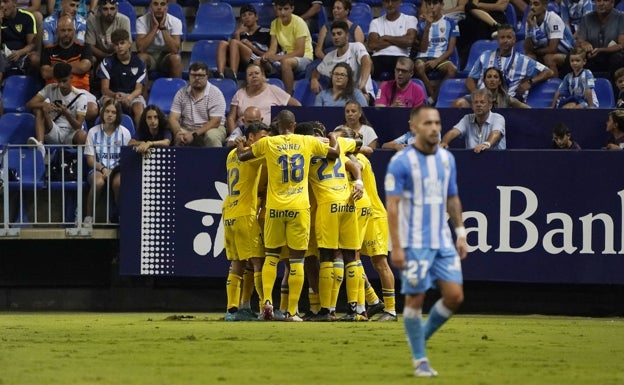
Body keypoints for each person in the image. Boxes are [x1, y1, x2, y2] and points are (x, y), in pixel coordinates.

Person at [385, 105, 468, 377]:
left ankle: (418, 337)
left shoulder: (446, 159)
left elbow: (452, 197)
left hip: (442, 239)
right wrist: (396, 246)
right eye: (428, 123)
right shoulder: (401, 162)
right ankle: (420, 359)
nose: (434, 127)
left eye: (437, 122)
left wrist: (461, 233)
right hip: (414, 242)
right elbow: (393, 207)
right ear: (414, 127)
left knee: (455, 296)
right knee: (416, 299)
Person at [236, 109, 340, 321]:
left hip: (274, 208)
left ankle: (267, 301)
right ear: (294, 125)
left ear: (278, 126)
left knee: (271, 257)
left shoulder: (269, 143)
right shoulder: (306, 141)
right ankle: (292, 311)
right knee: (297, 262)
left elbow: (243, 156)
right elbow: (335, 153)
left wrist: (239, 144)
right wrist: (332, 137)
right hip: (299, 208)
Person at [223, 121, 269, 321]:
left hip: (229, 212)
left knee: (237, 263)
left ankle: (232, 310)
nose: (265, 141)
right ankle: (263, 307)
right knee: (258, 260)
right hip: (245, 214)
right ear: (251, 138)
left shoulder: (231, 155)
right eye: (262, 137)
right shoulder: (253, 155)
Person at [453, 23, 553, 107]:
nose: (505, 40)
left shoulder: (524, 61)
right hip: (483, 98)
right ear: (498, 40)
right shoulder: (485, 56)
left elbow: (549, 72)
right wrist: (476, 93)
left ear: (514, 40)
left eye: (509, 37)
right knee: (459, 104)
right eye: (502, 37)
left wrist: (531, 82)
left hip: (507, 100)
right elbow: (470, 80)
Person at [40, 15, 98, 123]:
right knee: (40, 108)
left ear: (74, 31)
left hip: (80, 92)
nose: (66, 33)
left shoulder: (84, 48)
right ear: (57, 32)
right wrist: (74, 66)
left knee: (92, 110)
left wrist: (57, 67)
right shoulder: (49, 50)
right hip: (55, 92)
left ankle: (66, 119)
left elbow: (83, 67)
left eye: (69, 30)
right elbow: (45, 73)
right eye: (63, 30)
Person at [84, 99, 132, 226]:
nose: (110, 115)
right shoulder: (92, 132)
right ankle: (89, 217)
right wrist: (103, 168)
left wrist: (114, 170)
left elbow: (127, 157)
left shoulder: (124, 133)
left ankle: (121, 216)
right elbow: (90, 159)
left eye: (113, 112)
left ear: (118, 115)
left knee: (119, 183)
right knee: (98, 182)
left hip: (118, 169)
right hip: (98, 168)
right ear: (102, 113)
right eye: (107, 111)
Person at [25, 62, 88, 150]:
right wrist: (45, 104)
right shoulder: (50, 88)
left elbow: (78, 126)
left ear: (71, 77)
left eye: (64, 81)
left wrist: (66, 113)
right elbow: (29, 104)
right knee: (39, 109)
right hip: (53, 129)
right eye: (59, 81)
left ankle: (78, 162)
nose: (61, 85)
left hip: (71, 133)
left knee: (82, 135)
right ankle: (40, 146)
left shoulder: (81, 97)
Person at [310, 20, 374, 103]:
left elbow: (366, 61)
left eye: (339, 33)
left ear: (347, 36)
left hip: (363, 93)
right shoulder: (329, 56)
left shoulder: (356, 47)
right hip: (342, 97)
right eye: (333, 34)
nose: (336, 37)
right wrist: (314, 79)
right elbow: (317, 71)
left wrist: (362, 84)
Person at [227, 62, 300, 133]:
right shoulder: (240, 93)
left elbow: (296, 105)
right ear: (246, 79)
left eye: (257, 73)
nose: (254, 76)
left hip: (269, 133)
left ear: (262, 75)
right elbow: (231, 118)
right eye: (250, 74)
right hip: (244, 134)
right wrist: (234, 135)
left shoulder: (273, 90)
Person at [259, 0, 314, 95]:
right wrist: (267, 57)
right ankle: (262, 94)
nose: (283, 12)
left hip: (304, 58)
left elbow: (300, 52)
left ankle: (288, 96)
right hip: (284, 56)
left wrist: (278, 58)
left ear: (292, 8)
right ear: (275, 9)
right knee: (258, 62)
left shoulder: (299, 22)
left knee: (286, 63)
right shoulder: (274, 23)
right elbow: (273, 48)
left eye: (286, 9)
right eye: (280, 9)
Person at [169, 62, 228, 147]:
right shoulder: (181, 93)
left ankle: (215, 160)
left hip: (212, 128)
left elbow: (215, 122)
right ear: (189, 76)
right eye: (193, 75)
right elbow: (173, 118)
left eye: (200, 75)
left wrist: (194, 134)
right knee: (179, 136)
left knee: (212, 136)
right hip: (187, 128)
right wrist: (178, 132)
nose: (197, 78)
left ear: (207, 76)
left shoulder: (215, 93)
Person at [98, 28, 147, 128]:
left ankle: (139, 137)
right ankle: (105, 134)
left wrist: (129, 98)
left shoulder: (140, 63)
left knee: (138, 108)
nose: (119, 46)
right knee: (107, 103)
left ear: (129, 43)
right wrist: (114, 95)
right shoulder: (107, 62)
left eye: (122, 43)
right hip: (112, 94)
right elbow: (104, 89)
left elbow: (139, 89)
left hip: (132, 95)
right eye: (116, 44)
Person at [413, 0, 460, 102]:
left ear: (442, 5)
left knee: (452, 69)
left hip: (440, 57)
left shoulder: (451, 22)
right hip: (423, 56)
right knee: (418, 67)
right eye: (429, 4)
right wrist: (427, 28)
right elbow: (423, 49)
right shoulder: (422, 23)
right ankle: (433, 96)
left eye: (435, 3)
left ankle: (432, 99)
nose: (431, 7)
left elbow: (451, 50)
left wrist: (436, 61)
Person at [216, 4, 271, 79]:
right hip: (241, 62)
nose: (247, 17)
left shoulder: (266, 32)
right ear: (241, 20)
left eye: (250, 14)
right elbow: (235, 50)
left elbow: (269, 55)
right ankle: (220, 74)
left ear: (256, 17)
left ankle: (233, 75)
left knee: (234, 42)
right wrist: (237, 33)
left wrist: (251, 47)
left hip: (258, 60)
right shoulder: (240, 33)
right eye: (244, 15)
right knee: (223, 43)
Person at [441, 88, 506, 152]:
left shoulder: (498, 118)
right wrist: (444, 142)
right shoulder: (467, 118)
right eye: (476, 102)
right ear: (472, 106)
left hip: (495, 160)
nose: (478, 105)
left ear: (490, 105)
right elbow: (453, 132)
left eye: (482, 102)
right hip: (472, 160)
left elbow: (496, 133)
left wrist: (486, 144)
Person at [367, 0, 418, 80]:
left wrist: (386, 37)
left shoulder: (410, 19)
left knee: (406, 66)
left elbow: (409, 41)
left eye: (393, 1)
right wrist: (400, 40)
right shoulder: (375, 22)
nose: (390, 4)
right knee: (365, 64)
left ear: (399, 2)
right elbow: (372, 45)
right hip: (378, 57)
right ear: (383, 3)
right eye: (387, 1)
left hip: (401, 56)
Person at [523, 0, 575, 78]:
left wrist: (535, 51)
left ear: (544, 6)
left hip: (569, 55)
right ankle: (529, 87)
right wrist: (530, 28)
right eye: (530, 4)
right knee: (528, 58)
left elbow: (552, 49)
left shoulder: (552, 18)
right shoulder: (530, 20)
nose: (532, 7)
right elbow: (527, 49)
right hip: (544, 53)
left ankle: (554, 86)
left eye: (536, 4)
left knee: (549, 58)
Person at [575, 0, 624, 81]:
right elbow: (579, 42)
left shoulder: (621, 17)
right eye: (598, 1)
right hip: (592, 55)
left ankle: (615, 91)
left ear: (612, 3)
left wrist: (601, 50)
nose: (601, 3)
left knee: (618, 58)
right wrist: (584, 44)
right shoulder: (586, 18)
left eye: (605, 0)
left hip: (612, 56)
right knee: (572, 57)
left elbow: (621, 45)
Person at [135, 0, 183, 78]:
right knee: (141, 58)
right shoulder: (141, 21)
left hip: (166, 56)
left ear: (166, 7)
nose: (159, 7)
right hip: (149, 56)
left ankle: (177, 89)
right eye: (156, 4)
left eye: (162, 4)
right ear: (151, 6)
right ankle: (142, 90)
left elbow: (174, 50)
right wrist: (155, 27)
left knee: (176, 58)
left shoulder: (175, 22)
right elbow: (140, 49)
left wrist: (162, 27)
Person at [0, 0, 39, 82]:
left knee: (35, 59)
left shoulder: (27, 16)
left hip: (22, 54)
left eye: (6, 1)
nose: (2, 5)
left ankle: (33, 86)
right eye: (0, 2)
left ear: (15, 3)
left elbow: (32, 45)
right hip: (3, 55)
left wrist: (19, 52)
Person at [458, 67, 530, 108]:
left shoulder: (506, 98)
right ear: (484, 81)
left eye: (495, 77)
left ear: (499, 81)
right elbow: (459, 103)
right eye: (489, 77)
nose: (492, 80)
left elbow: (527, 108)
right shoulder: (477, 96)